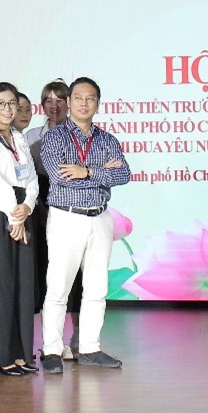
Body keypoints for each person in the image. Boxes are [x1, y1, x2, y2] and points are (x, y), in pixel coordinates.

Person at [39, 76, 132, 374]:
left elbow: (124, 174)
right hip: (67, 216)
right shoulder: (55, 137)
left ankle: (90, 347)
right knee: (59, 287)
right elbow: (60, 177)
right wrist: (102, 172)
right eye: (78, 97)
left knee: (97, 288)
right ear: (68, 101)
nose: (84, 103)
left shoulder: (107, 139)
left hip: (100, 218)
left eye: (90, 98)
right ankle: (52, 350)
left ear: (98, 104)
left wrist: (87, 171)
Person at [0, 83, 41, 376]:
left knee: (23, 286)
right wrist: (15, 218)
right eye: (0, 103)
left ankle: (21, 352)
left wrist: (27, 206)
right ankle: (0, 355)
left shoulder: (19, 137)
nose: (7, 109)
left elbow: (31, 179)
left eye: (12, 103)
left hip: (21, 211)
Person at [27, 79, 85, 359]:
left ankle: (77, 339)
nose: (54, 105)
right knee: (47, 275)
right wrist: (38, 205)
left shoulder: (81, 133)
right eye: (48, 100)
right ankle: (50, 341)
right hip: (39, 204)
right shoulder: (31, 136)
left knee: (76, 277)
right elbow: (27, 176)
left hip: (73, 203)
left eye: (60, 99)